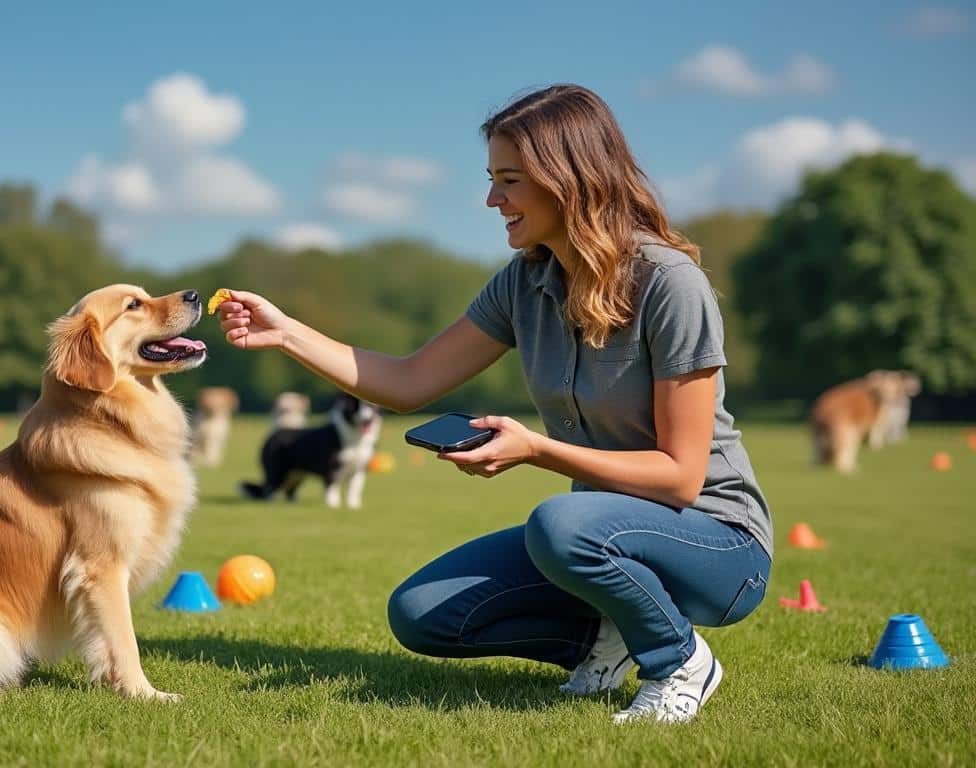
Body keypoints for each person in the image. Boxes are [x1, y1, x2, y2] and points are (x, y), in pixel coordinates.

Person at [214, 84, 772, 724]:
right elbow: (408, 381)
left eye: (509, 180)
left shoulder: (670, 285)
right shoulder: (524, 283)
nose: (490, 199)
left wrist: (536, 449)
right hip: (602, 537)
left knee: (559, 525)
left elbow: (681, 475)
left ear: (569, 180)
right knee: (423, 612)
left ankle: (678, 660)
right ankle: (605, 639)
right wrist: (288, 332)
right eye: (491, 178)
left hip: (720, 546)